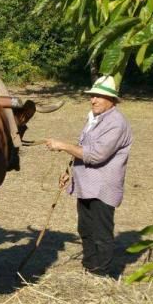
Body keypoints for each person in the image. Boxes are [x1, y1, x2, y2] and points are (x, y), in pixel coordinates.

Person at [45, 75, 132, 275]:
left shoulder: (116, 123)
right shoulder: (95, 119)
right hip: (87, 185)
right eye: (92, 96)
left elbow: (95, 155)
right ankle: (89, 266)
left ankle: (101, 273)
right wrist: (70, 172)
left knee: (101, 232)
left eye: (99, 96)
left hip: (103, 187)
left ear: (112, 100)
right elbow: (83, 147)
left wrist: (62, 145)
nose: (93, 100)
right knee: (85, 228)